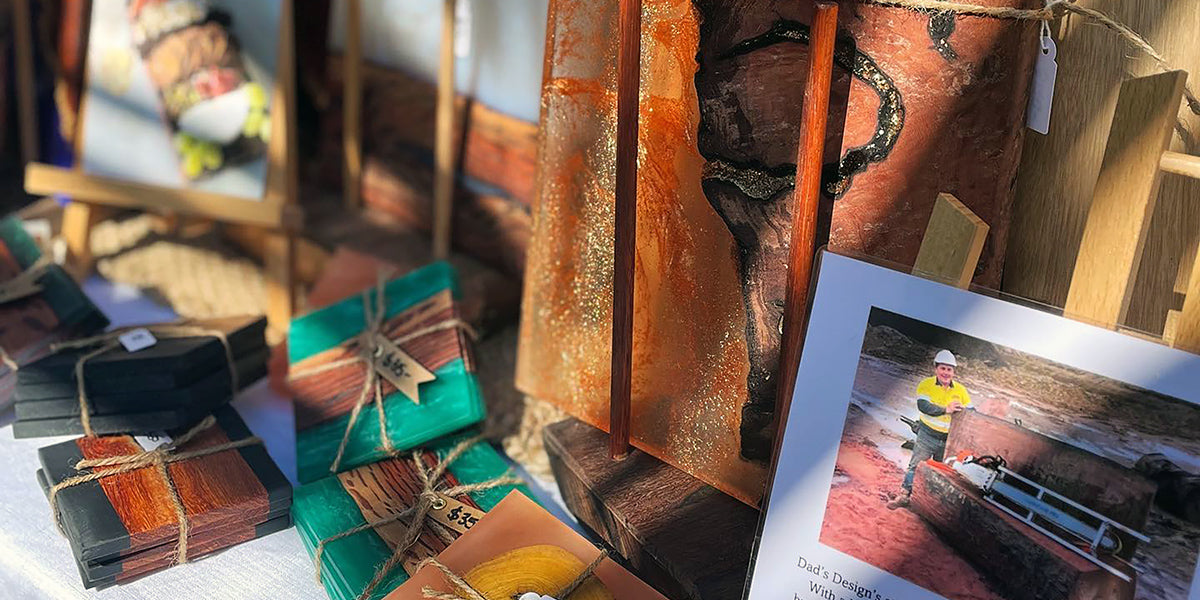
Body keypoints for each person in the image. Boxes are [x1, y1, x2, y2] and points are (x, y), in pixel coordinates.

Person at [887, 349, 971, 509]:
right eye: (942, 368)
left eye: (949, 369)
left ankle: (931, 504)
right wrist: (946, 409)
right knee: (915, 465)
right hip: (927, 435)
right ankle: (904, 496)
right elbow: (923, 405)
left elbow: (971, 411)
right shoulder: (926, 385)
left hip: (948, 441)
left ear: (954, 371)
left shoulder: (961, 390)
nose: (946, 372)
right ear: (936, 369)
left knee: (942, 473)